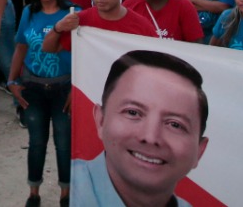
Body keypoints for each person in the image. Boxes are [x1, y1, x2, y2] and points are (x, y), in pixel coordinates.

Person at [70, 49, 209, 207]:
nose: (150, 137)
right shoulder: (70, 191)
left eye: (175, 124)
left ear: (199, 151)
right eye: (133, 112)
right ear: (101, 120)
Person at [8, 0, 76, 207]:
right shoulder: (29, 12)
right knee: (36, 142)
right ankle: (33, 192)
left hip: (63, 89)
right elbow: (21, 46)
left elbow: (83, 55)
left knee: (64, 143)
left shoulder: (73, 13)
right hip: (33, 88)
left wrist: (76, 90)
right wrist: (12, 80)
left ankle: (65, 194)